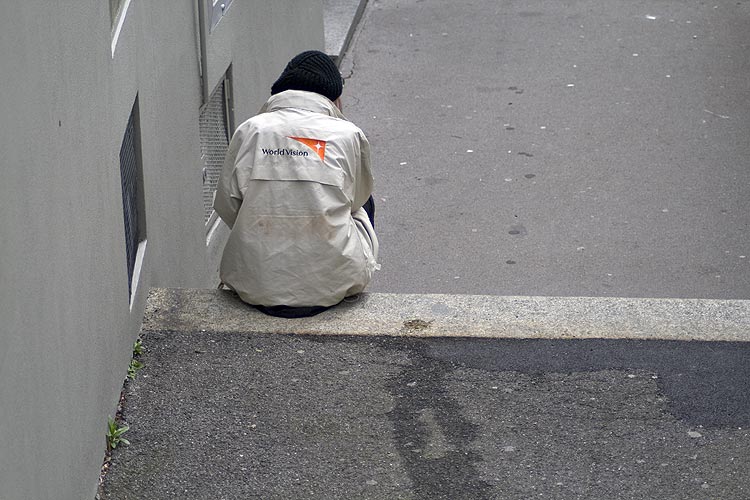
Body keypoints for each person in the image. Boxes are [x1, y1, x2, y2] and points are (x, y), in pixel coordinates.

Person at [214, 50, 379, 318]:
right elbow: (358, 199)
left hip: (254, 284)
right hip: (332, 286)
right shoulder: (349, 134)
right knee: (362, 201)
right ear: (335, 97)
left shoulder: (251, 130)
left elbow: (226, 203)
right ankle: (338, 267)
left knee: (254, 201)